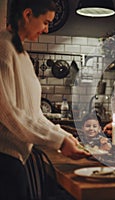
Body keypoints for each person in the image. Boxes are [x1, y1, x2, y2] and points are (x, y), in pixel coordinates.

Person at [0, 0, 90, 199]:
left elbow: (34, 115)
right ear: (28, 14)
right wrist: (58, 140)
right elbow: (9, 114)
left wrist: (63, 137)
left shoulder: (20, 52)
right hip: (4, 161)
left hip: (15, 160)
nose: (46, 29)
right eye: (45, 22)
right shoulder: (3, 47)